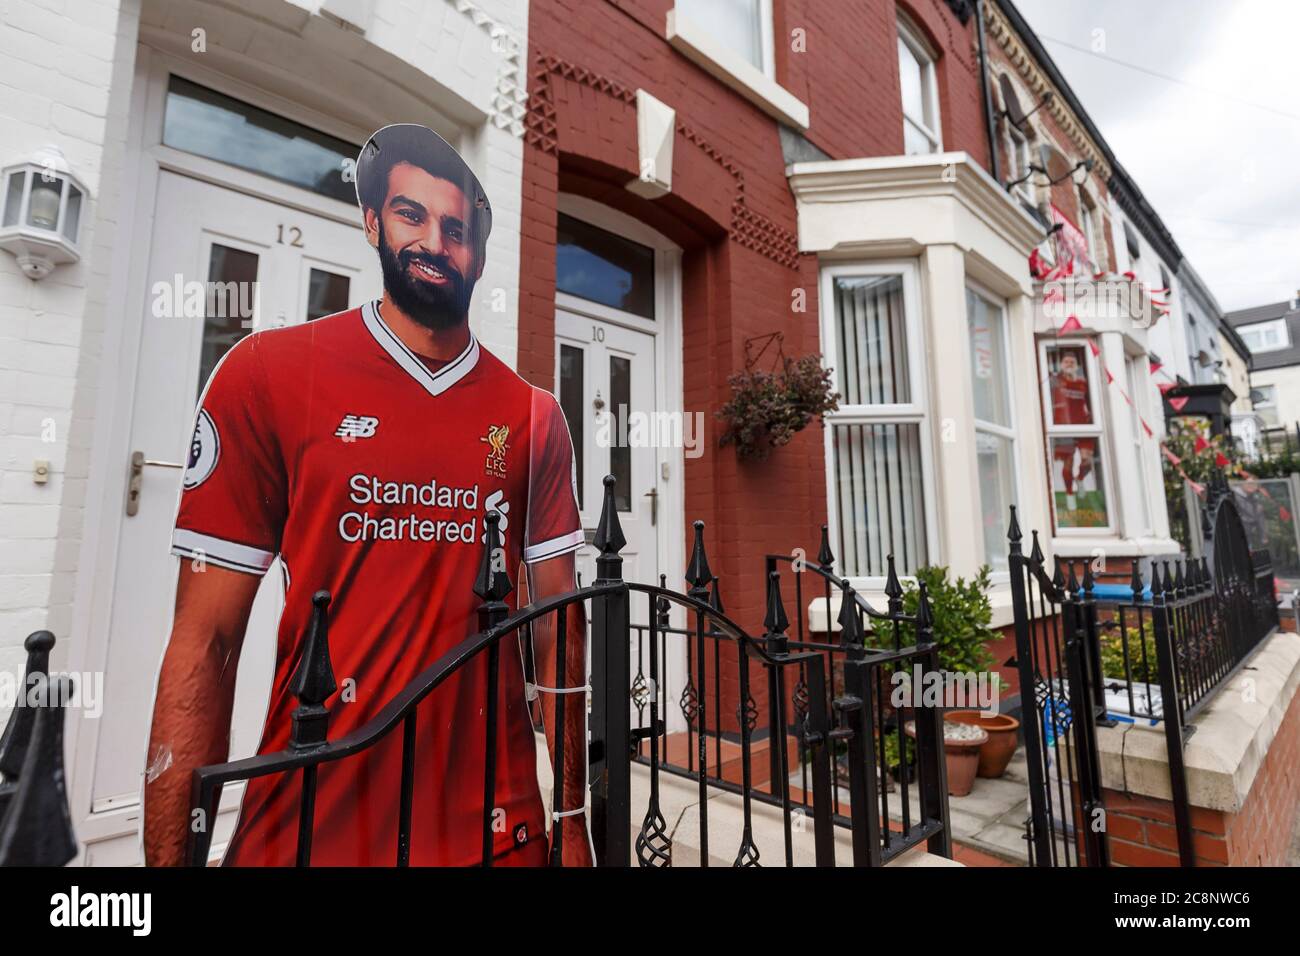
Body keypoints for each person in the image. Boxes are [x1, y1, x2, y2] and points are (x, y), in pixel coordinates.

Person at [142, 124, 591, 866]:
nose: (435, 243)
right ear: (372, 222)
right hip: (313, 818)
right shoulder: (269, 375)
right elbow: (206, 643)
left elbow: (559, 634)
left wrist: (570, 822)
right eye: (411, 215)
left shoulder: (535, 417)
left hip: (495, 822)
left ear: (478, 252)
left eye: (456, 229)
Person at [1049, 349, 1096, 511]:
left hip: (1083, 425)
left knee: (1087, 461)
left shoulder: (1083, 383)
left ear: (1076, 365)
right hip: (1064, 426)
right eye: (1066, 362)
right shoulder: (1056, 380)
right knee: (1067, 464)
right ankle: (1069, 494)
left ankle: (1080, 478)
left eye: (1072, 362)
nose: (1069, 364)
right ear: (1061, 364)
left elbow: (1089, 402)